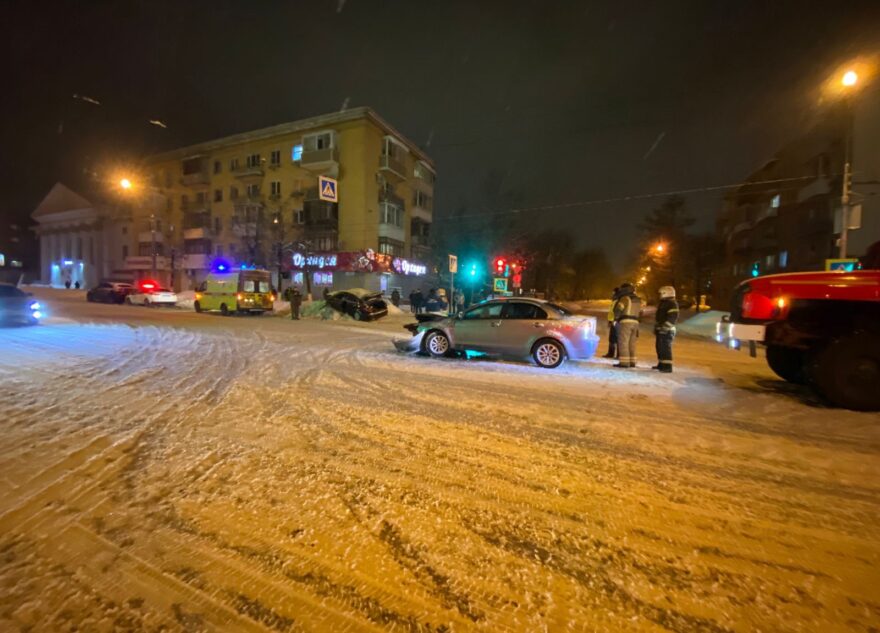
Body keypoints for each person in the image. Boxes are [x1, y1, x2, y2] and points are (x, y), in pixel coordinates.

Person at [613, 282, 642, 368]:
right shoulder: (638, 299)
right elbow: (641, 312)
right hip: (636, 323)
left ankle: (624, 363)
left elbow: (618, 309)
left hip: (626, 322)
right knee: (632, 343)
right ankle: (632, 362)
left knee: (623, 342)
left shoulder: (625, 298)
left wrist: (616, 318)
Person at [653, 286, 679, 373]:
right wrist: (658, 327)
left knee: (665, 348)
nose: (659, 295)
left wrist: (665, 327)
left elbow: (673, 317)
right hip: (662, 329)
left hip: (668, 330)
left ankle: (667, 366)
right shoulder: (664, 303)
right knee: (659, 347)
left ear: (666, 293)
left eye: (661, 293)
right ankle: (661, 364)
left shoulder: (672, 303)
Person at [603, 287, 620, 359]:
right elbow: (611, 312)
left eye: (613, 292)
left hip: (616, 321)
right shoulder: (615, 300)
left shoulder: (618, 300)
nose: (612, 293)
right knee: (612, 338)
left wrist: (615, 320)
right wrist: (610, 321)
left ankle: (618, 355)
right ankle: (611, 353)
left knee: (617, 338)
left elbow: (617, 312)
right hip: (612, 321)